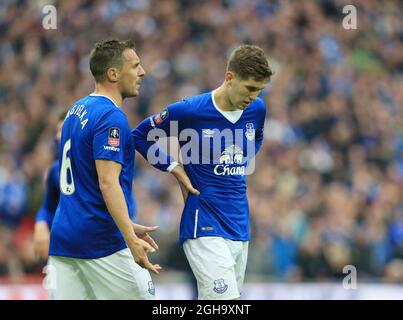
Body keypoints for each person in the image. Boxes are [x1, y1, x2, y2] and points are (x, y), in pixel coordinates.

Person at [48, 39, 195, 300]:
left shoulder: (75, 110)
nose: (142, 72)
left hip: (64, 239)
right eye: (135, 66)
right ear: (113, 74)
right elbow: (107, 182)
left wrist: (127, 223)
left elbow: (86, 184)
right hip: (99, 241)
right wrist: (128, 237)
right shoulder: (110, 117)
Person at [133, 44, 272, 300]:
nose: (254, 96)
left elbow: (258, 136)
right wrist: (174, 168)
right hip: (203, 223)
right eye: (250, 88)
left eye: (259, 90)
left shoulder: (257, 109)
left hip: (239, 224)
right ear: (230, 77)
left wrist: (241, 161)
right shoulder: (191, 111)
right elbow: (140, 136)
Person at [33, 113, 64, 261]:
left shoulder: (99, 169)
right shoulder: (55, 170)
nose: (58, 137)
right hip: (65, 249)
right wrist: (41, 224)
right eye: (56, 131)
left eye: (62, 130)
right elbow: (48, 207)